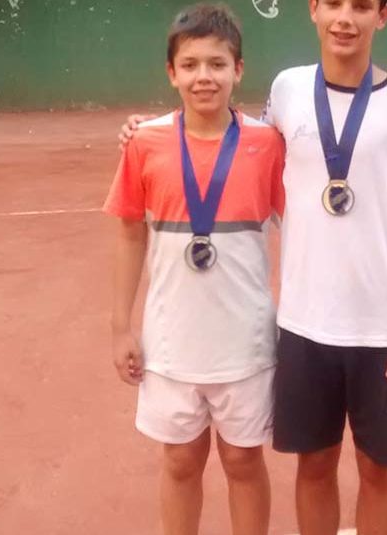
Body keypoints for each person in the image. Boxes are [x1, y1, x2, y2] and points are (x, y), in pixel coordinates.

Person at [120, 1, 387, 534]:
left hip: (383, 328)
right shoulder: (288, 90)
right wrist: (147, 129)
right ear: (313, 9)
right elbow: (229, 134)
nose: (345, 18)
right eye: (333, 3)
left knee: (379, 468)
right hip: (303, 327)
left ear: (383, 15)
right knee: (313, 466)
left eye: (361, 6)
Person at [104, 4, 285, 535]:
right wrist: (120, 326)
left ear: (239, 70)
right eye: (190, 65)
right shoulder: (144, 142)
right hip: (171, 341)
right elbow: (130, 234)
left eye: (217, 64)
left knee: (243, 461)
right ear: (171, 73)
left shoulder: (267, 144)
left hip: (245, 342)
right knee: (181, 461)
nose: (203, 76)